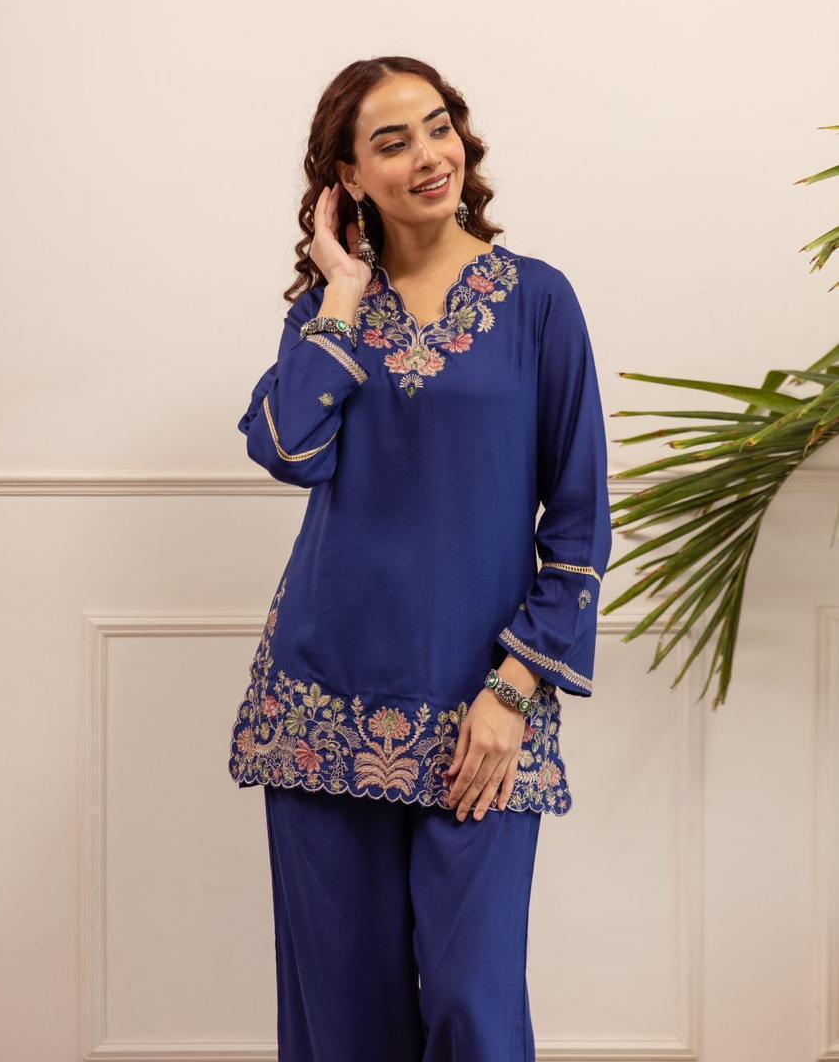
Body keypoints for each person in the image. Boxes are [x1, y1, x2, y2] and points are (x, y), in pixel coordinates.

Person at [227, 56, 612, 1061]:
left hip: (482, 704)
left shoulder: (538, 301)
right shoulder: (329, 309)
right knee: (346, 1021)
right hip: (322, 703)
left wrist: (515, 689)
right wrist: (344, 291)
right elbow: (290, 449)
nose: (428, 155)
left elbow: (578, 521)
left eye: (438, 127)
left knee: (474, 1008)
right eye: (391, 143)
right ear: (349, 177)